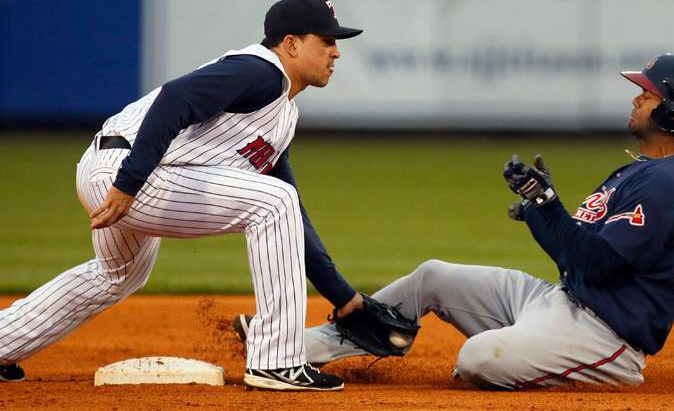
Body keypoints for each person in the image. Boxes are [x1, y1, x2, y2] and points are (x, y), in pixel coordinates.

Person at [235, 54, 674, 389]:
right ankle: (294, 347)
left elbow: (597, 265)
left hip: (604, 336)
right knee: (433, 276)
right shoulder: (638, 171)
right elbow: (576, 257)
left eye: (649, 93)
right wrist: (542, 210)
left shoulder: (664, 182)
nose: (637, 98)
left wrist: (548, 207)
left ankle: (555, 362)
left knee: (477, 359)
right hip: (562, 301)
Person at [0, 0, 366, 391]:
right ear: (292, 43)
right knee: (273, 202)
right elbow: (175, 98)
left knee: (118, 275)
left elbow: (294, 216)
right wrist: (128, 183)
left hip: (123, 167)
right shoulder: (260, 71)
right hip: (131, 172)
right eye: (326, 41)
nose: (336, 52)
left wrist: (345, 298)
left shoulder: (280, 113)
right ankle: (276, 362)